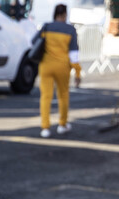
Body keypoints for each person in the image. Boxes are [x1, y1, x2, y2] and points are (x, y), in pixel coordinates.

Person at [37, 4, 82, 138]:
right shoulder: (70, 30)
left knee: (45, 97)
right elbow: (74, 54)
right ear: (64, 15)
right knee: (63, 96)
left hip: (45, 65)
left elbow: (34, 42)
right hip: (62, 67)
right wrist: (77, 72)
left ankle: (45, 128)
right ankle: (62, 125)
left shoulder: (46, 27)